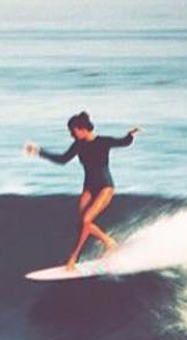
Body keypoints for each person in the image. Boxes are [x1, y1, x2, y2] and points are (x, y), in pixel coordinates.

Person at [25, 111, 140, 269]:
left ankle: (73, 258)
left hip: (105, 187)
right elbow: (62, 159)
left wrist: (130, 135)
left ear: (81, 128)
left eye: (72, 131)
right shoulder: (78, 145)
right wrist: (39, 151)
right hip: (89, 187)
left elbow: (124, 142)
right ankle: (108, 242)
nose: (71, 135)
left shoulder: (102, 142)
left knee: (86, 220)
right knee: (83, 222)